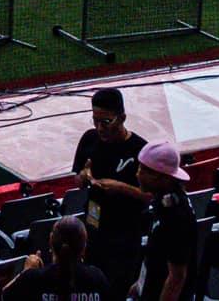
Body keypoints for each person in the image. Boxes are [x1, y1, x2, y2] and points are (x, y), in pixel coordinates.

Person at [72, 88, 149, 300]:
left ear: (122, 118)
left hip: (125, 234)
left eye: (105, 122)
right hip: (93, 228)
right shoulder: (89, 139)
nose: (99, 128)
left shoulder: (140, 150)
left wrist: (119, 187)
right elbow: (77, 180)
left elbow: (150, 196)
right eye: (95, 121)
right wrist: (84, 175)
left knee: (117, 289)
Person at [135, 142, 195, 301]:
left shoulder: (176, 217)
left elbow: (177, 277)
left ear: (161, 176)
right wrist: (139, 285)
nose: (137, 174)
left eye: (143, 170)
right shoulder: (163, 201)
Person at [3, 218, 106, 301]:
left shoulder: (33, 278)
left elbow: (4, 295)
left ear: (51, 242)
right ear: (84, 247)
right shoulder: (96, 277)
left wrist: (26, 271)